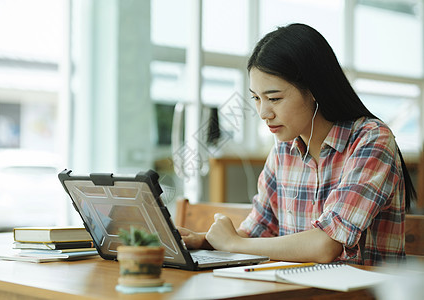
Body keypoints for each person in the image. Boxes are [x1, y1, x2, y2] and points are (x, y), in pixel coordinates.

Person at [178, 23, 416, 266]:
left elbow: (326, 245)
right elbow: (258, 231)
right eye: (256, 98)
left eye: (274, 98)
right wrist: (205, 240)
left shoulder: (371, 140)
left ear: (314, 90)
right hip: (297, 288)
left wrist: (233, 244)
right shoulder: (283, 150)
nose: (263, 112)